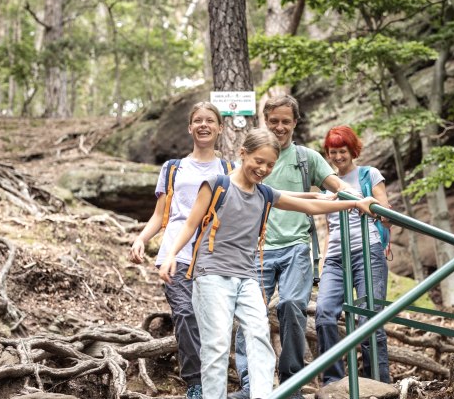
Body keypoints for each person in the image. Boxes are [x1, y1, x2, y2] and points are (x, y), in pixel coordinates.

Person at [158, 128, 379, 399]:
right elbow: (190, 224)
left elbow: (308, 207)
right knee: (216, 346)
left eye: (270, 165)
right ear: (243, 154)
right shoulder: (216, 184)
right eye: (258, 161)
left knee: (260, 339)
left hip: (248, 277)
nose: (263, 169)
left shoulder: (264, 193)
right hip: (212, 274)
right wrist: (170, 255)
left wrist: (355, 203)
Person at [231, 95, 354, 399]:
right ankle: (252, 386)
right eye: (274, 121)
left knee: (291, 307)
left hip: (297, 247)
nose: (280, 127)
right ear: (265, 121)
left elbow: (335, 184)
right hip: (257, 248)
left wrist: (357, 197)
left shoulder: (306, 157)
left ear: (296, 122)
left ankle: (291, 383)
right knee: (249, 315)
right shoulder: (254, 158)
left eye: (286, 121)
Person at [129, 101, 230, 399]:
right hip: (175, 255)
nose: (203, 125)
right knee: (185, 314)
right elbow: (161, 214)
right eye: (197, 120)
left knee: (212, 321)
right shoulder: (173, 168)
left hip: (213, 257)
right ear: (189, 127)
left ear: (219, 128)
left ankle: (217, 381)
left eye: (210, 120)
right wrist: (141, 239)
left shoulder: (228, 169)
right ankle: (195, 383)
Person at [316, 125, 391, 384]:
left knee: (367, 319)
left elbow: (388, 216)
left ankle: (378, 383)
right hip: (336, 258)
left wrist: (372, 206)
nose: (337, 156)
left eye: (342, 151)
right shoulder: (327, 185)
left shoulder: (369, 174)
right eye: (332, 152)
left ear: (352, 150)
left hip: (368, 253)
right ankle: (333, 382)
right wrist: (323, 263)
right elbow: (329, 229)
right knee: (324, 313)